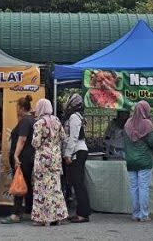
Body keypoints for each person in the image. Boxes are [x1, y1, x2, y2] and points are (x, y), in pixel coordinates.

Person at [29, 98, 68, 226]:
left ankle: (43, 219)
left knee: (42, 189)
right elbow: (64, 137)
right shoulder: (56, 121)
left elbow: (35, 143)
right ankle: (59, 217)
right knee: (55, 188)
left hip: (43, 161)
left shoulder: (39, 123)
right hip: (55, 160)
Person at [1, 95, 36, 224]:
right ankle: (28, 210)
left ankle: (16, 214)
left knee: (18, 183)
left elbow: (22, 139)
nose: (17, 110)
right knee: (27, 184)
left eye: (17, 107)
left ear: (21, 108)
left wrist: (15, 156)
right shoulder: (32, 119)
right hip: (29, 157)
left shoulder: (25, 121)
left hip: (22, 158)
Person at [123, 101, 153, 222]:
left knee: (134, 188)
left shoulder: (127, 123)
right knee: (143, 187)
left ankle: (135, 214)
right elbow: (152, 143)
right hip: (144, 160)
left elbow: (125, 143)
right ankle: (144, 215)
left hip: (131, 160)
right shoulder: (147, 124)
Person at [63, 94, 91, 223]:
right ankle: (81, 212)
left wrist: (68, 154)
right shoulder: (76, 116)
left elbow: (73, 137)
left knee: (78, 183)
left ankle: (83, 214)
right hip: (78, 151)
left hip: (77, 152)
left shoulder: (74, 117)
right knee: (77, 183)